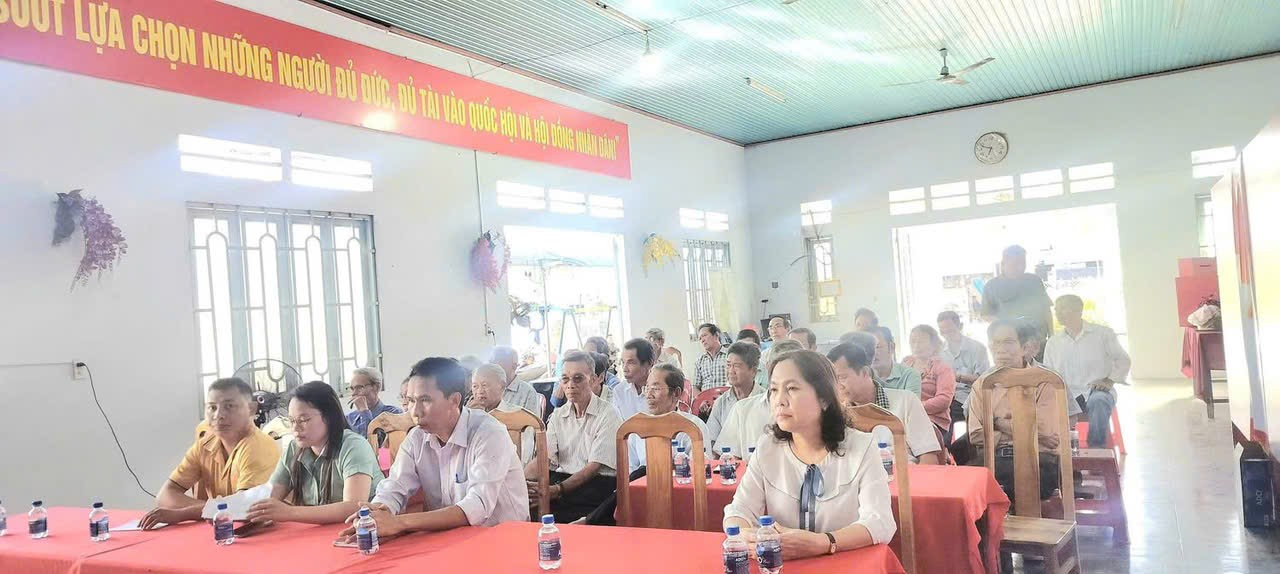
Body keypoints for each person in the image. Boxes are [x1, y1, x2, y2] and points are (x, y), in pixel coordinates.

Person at [723, 350, 896, 557]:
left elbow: (880, 522)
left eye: (792, 388)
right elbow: (739, 509)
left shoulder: (861, 447)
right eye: (774, 390)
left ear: (824, 399)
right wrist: (747, 535)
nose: (779, 400)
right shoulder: (767, 448)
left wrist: (825, 542)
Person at [338, 357, 529, 540]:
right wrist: (378, 513)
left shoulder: (489, 433)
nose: (415, 411)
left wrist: (400, 523)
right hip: (448, 538)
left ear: (454, 400)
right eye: (410, 400)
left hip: (502, 538)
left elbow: (477, 506)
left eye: (425, 400)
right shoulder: (417, 438)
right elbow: (395, 486)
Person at [140, 378, 280, 528]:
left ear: (251, 409)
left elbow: (243, 509)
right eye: (212, 407)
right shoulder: (205, 444)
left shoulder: (258, 446)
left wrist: (185, 513)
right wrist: (214, 509)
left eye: (229, 406)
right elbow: (165, 496)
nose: (218, 415)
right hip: (221, 528)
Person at [245, 381, 382, 525]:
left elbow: (353, 507)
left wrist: (290, 512)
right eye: (291, 421)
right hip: (320, 532)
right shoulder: (294, 448)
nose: (295, 428)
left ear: (329, 416)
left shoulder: (353, 446)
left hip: (364, 530)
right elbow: (270, 495)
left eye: (303, 420)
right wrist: (238, 506)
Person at [967, 320, 1065, 502]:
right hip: (994, 458)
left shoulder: (1046, 381)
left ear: (1025, 348)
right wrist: (1027, 428)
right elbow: (976, 435)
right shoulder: (982, 384)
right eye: (995, 343)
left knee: (1018, 485)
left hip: (1039, 458)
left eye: (1008, 342)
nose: (1000, 349)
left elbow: (1046, 432)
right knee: (965, 488)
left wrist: (996, 422)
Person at [532, 350, 624, 523]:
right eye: (565, 379)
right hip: (562, 481)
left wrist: (558, 490)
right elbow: (544, 459)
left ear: (594, 379)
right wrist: (519, 482)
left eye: (578, 378)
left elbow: (593, 468)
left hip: (595, 486)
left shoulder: (608, 414)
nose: (570, 385)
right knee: (524, 505)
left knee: (565, 518)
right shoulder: (558, 415)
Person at [827, 344, 942, 465]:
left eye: (842, 377)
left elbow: (928, 456)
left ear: (865, 372)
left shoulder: (906, 401)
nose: (837, 386)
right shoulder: (837, 413)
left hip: (904, 474)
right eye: (832, 380)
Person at [1044, 294, 1131, 448]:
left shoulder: (1103, 334)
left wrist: (1109, 380)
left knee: (1099, 401)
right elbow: (1048, 373)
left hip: (1096, 391)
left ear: (1078, 310)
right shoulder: (1053, 342)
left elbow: (1123, 360)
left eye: (1063, 308)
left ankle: (1096, 450)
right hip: (1066, 394)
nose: (1057, 313)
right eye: (1056, 310)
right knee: (1044, 406)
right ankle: (1059, 451)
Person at [717, 339, 805, 457]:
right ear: (768, 367)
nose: (786, 376)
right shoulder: (742, 410)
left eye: (794, 370)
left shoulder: (812, 411)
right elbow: (729, 458)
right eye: (780, 369)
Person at [980, 245, 1053, 361]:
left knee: (1041, 372)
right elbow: (985, 315)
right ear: (1003, 264)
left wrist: (1052, 336)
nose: (1020, 267)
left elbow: (1046, 310)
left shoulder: (1034, 281)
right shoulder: (992, 286)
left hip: (1038, 343)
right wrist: (1008, 324)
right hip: (1011, 347)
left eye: (1023, 263)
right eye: (1015, 264)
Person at [630, 363, 711, 468]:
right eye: (647, 388)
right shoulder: (637, 428)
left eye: (655, 388)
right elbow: (630, 470)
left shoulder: (695, 426)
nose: (649, 395)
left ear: (676, 393)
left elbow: (702, 468)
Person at [936, 311, 990, 440]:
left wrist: (957, 377)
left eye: (950, 331)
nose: (946, 335)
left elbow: (983, 380)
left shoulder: (977, 348)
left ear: (960, 326)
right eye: (943, 332)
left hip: (969, 396)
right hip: (946, 397)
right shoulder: (939, 352)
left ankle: (955, 443)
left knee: (956, 428)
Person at [468, 363, 535, 465]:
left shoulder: (518, 415)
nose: (479, 391)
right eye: (475, 386)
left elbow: (525, 455)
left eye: (485, 385)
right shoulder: (469, 414)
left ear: (502, 386)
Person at [706, 342, 764, 450]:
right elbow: (711, 440)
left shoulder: (765, 400)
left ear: (753, 371)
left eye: (737, 366)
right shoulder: (721, 403)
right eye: (728, 365)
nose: (731, 371)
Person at [902, 325, 956, 436]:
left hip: (932, 420)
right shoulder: (905, 364)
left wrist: (916, 408)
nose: (916, 345)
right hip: (905, 418)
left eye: (921, 341)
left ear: (933, 344)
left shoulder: (942, 368)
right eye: (913, 341)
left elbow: (944, 400)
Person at [863, 326, 922, 396]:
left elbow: (910, 402)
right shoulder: (863, 376)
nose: (871, 353)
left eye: (877, 347)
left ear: (891, 347)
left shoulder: (910, 375)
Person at [346, 367, 403, 437]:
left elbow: (374, 440)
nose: (354, 393)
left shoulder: (394, 413)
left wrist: (364, 412)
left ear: (376, 387)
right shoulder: (349, 419)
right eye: (352, 389)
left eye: (360, 387)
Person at [490, 346, 543, 417]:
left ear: (514, 366)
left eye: (498, 363)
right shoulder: (485, 390)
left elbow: (532, 423)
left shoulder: (528, 393)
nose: (492, 368)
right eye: (491, 363)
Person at [693, 323, 729, 392]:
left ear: (716, 336)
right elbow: (695, 387)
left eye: (704, 335)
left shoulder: (729, 355)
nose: (702, 340)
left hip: (726, 396)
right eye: (700, 338)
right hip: (706, 398)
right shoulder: (699, 361)